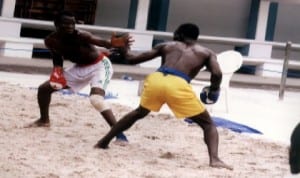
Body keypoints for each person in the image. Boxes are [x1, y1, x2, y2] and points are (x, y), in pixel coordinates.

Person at [95, 23, 232, 170]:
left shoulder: (167, 45)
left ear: (179, 34)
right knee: (208, 124)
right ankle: (215, 159)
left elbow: (132, 59)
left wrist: (123, 47)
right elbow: (217, 73)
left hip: (157, 79)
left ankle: (104, 141)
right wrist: (214, 90)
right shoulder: (206, 52)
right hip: (178, 84)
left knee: (138, 112)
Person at [26, 11, 131, 142]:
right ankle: (44, 120)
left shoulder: (81, 35)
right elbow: (57, 57)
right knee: (44, 88)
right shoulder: (51, 40)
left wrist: (113, 43)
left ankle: (119, 134)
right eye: (66, 24)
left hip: (100, 65)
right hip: (79, 68)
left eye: (72, 24)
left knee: (96, 99)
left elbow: (102, 42)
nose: (70, 27)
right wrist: (57, 70)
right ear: (57, 24)